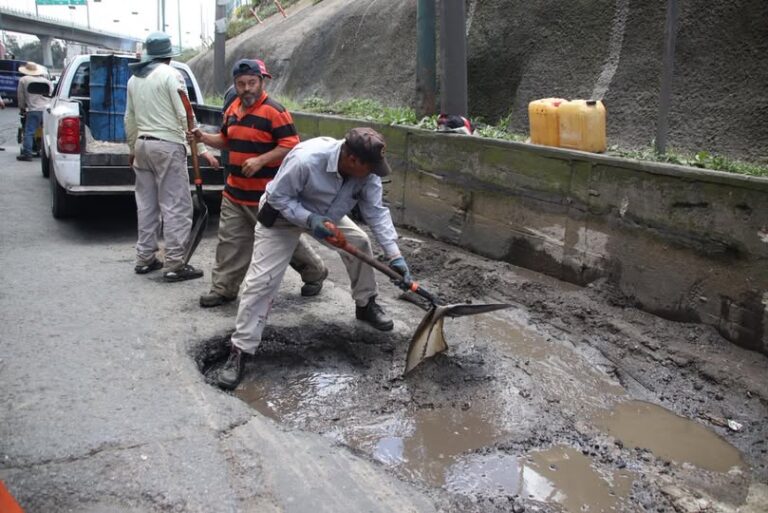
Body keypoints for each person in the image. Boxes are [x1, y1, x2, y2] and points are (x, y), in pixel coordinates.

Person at [216, 127, 413, 389]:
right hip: (283, 215)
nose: (375, 172)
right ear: (352, 159)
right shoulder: (307, 159)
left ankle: (366, 304)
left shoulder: (367, 172)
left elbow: (376, 212)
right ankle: (240, 349)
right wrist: (309, 219)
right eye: (370, 167)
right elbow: (278, 197)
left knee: (359, 242)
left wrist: (395, 255)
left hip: (327, 215)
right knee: (262, 281)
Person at [190, 58, 327, 307]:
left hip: (266, 196)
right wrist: (204, 138)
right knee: (230, 242)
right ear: (235, 84)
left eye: (252, 83)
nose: (247, 89)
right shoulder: (232, 110)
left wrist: (261, 160)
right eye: (241, 84)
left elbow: (292, 145)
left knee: (284, 241)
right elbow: (226, 139)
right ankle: (224, 289)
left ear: (261, 82)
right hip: (235, 194)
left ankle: (315, 272)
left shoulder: (275, 112)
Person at [125, 32, 220, 282]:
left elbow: (129, 119)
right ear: (168, 55)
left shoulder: (134, 79)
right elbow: (186, 116)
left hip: (143, 145)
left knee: (147, 205)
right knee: (176, 204)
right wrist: (201, 150)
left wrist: (133, 149)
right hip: (167, 146)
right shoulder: (172, 75)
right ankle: (175, 263)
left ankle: (145, 258)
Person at [16, 62, 52, 162]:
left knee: (29, 132)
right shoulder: (47, 81)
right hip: (47, 110)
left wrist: (22, 108)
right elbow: (52, 95)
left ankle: (27, 154)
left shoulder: (24, 80)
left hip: (33, 110)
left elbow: (21, 96)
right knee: (49, 132)